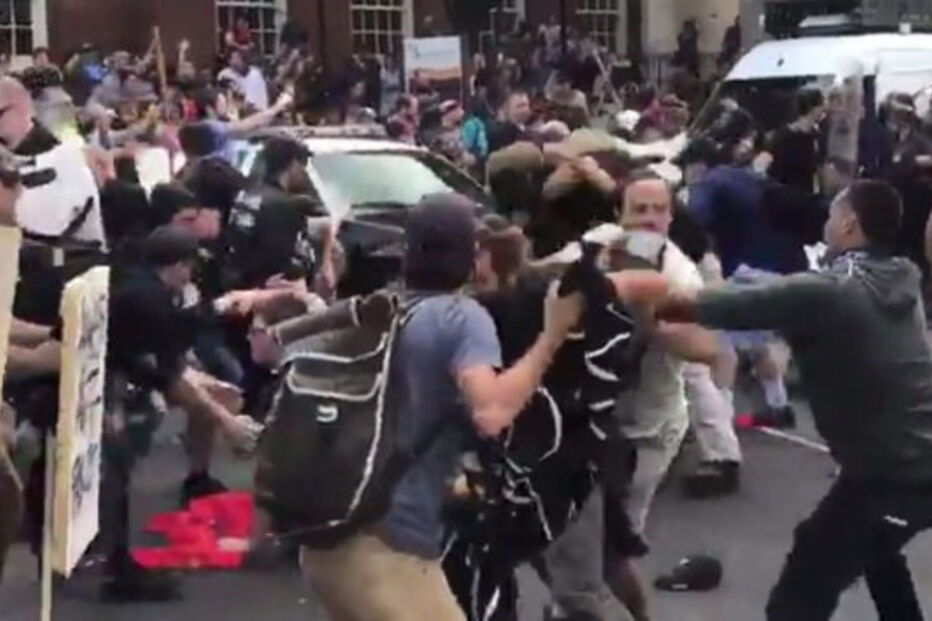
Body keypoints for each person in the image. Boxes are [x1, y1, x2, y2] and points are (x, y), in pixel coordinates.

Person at [301, 194, 584, 621]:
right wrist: (552, 336)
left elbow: (276, 348)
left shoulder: (382, 306)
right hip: (389, 547)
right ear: (471, 255)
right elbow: (491, 412)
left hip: (328, 536)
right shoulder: (460, 316)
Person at [659, 179, 932, 621]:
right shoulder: (901, 274)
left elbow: (737, 305)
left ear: (848, 224)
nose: (826, 221)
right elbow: (794, 292)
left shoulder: (831, 290)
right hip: (903, 463)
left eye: (831, 215)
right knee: (872, 549)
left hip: (893, 473)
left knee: (797, 599)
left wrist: (652, 297)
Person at [101, 226, 261, 601]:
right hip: (111, 383)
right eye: (189, 267)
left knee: (217, 395)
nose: (191, 276)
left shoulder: (149, 291)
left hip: (124, 375)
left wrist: (213, 396)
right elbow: (168, 376)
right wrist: (228, 423)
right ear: (177, 265)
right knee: (116, 463)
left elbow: (171, 362)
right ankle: (118, 567)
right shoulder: (148, 301)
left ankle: (194, 480)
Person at [766, 86, 827, 196]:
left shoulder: (816, 135)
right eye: (821, 104)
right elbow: (774, 171)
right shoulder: (784, 137)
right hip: (788, 197)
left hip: (808, 196)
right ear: (813, 108)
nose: (824, 108)